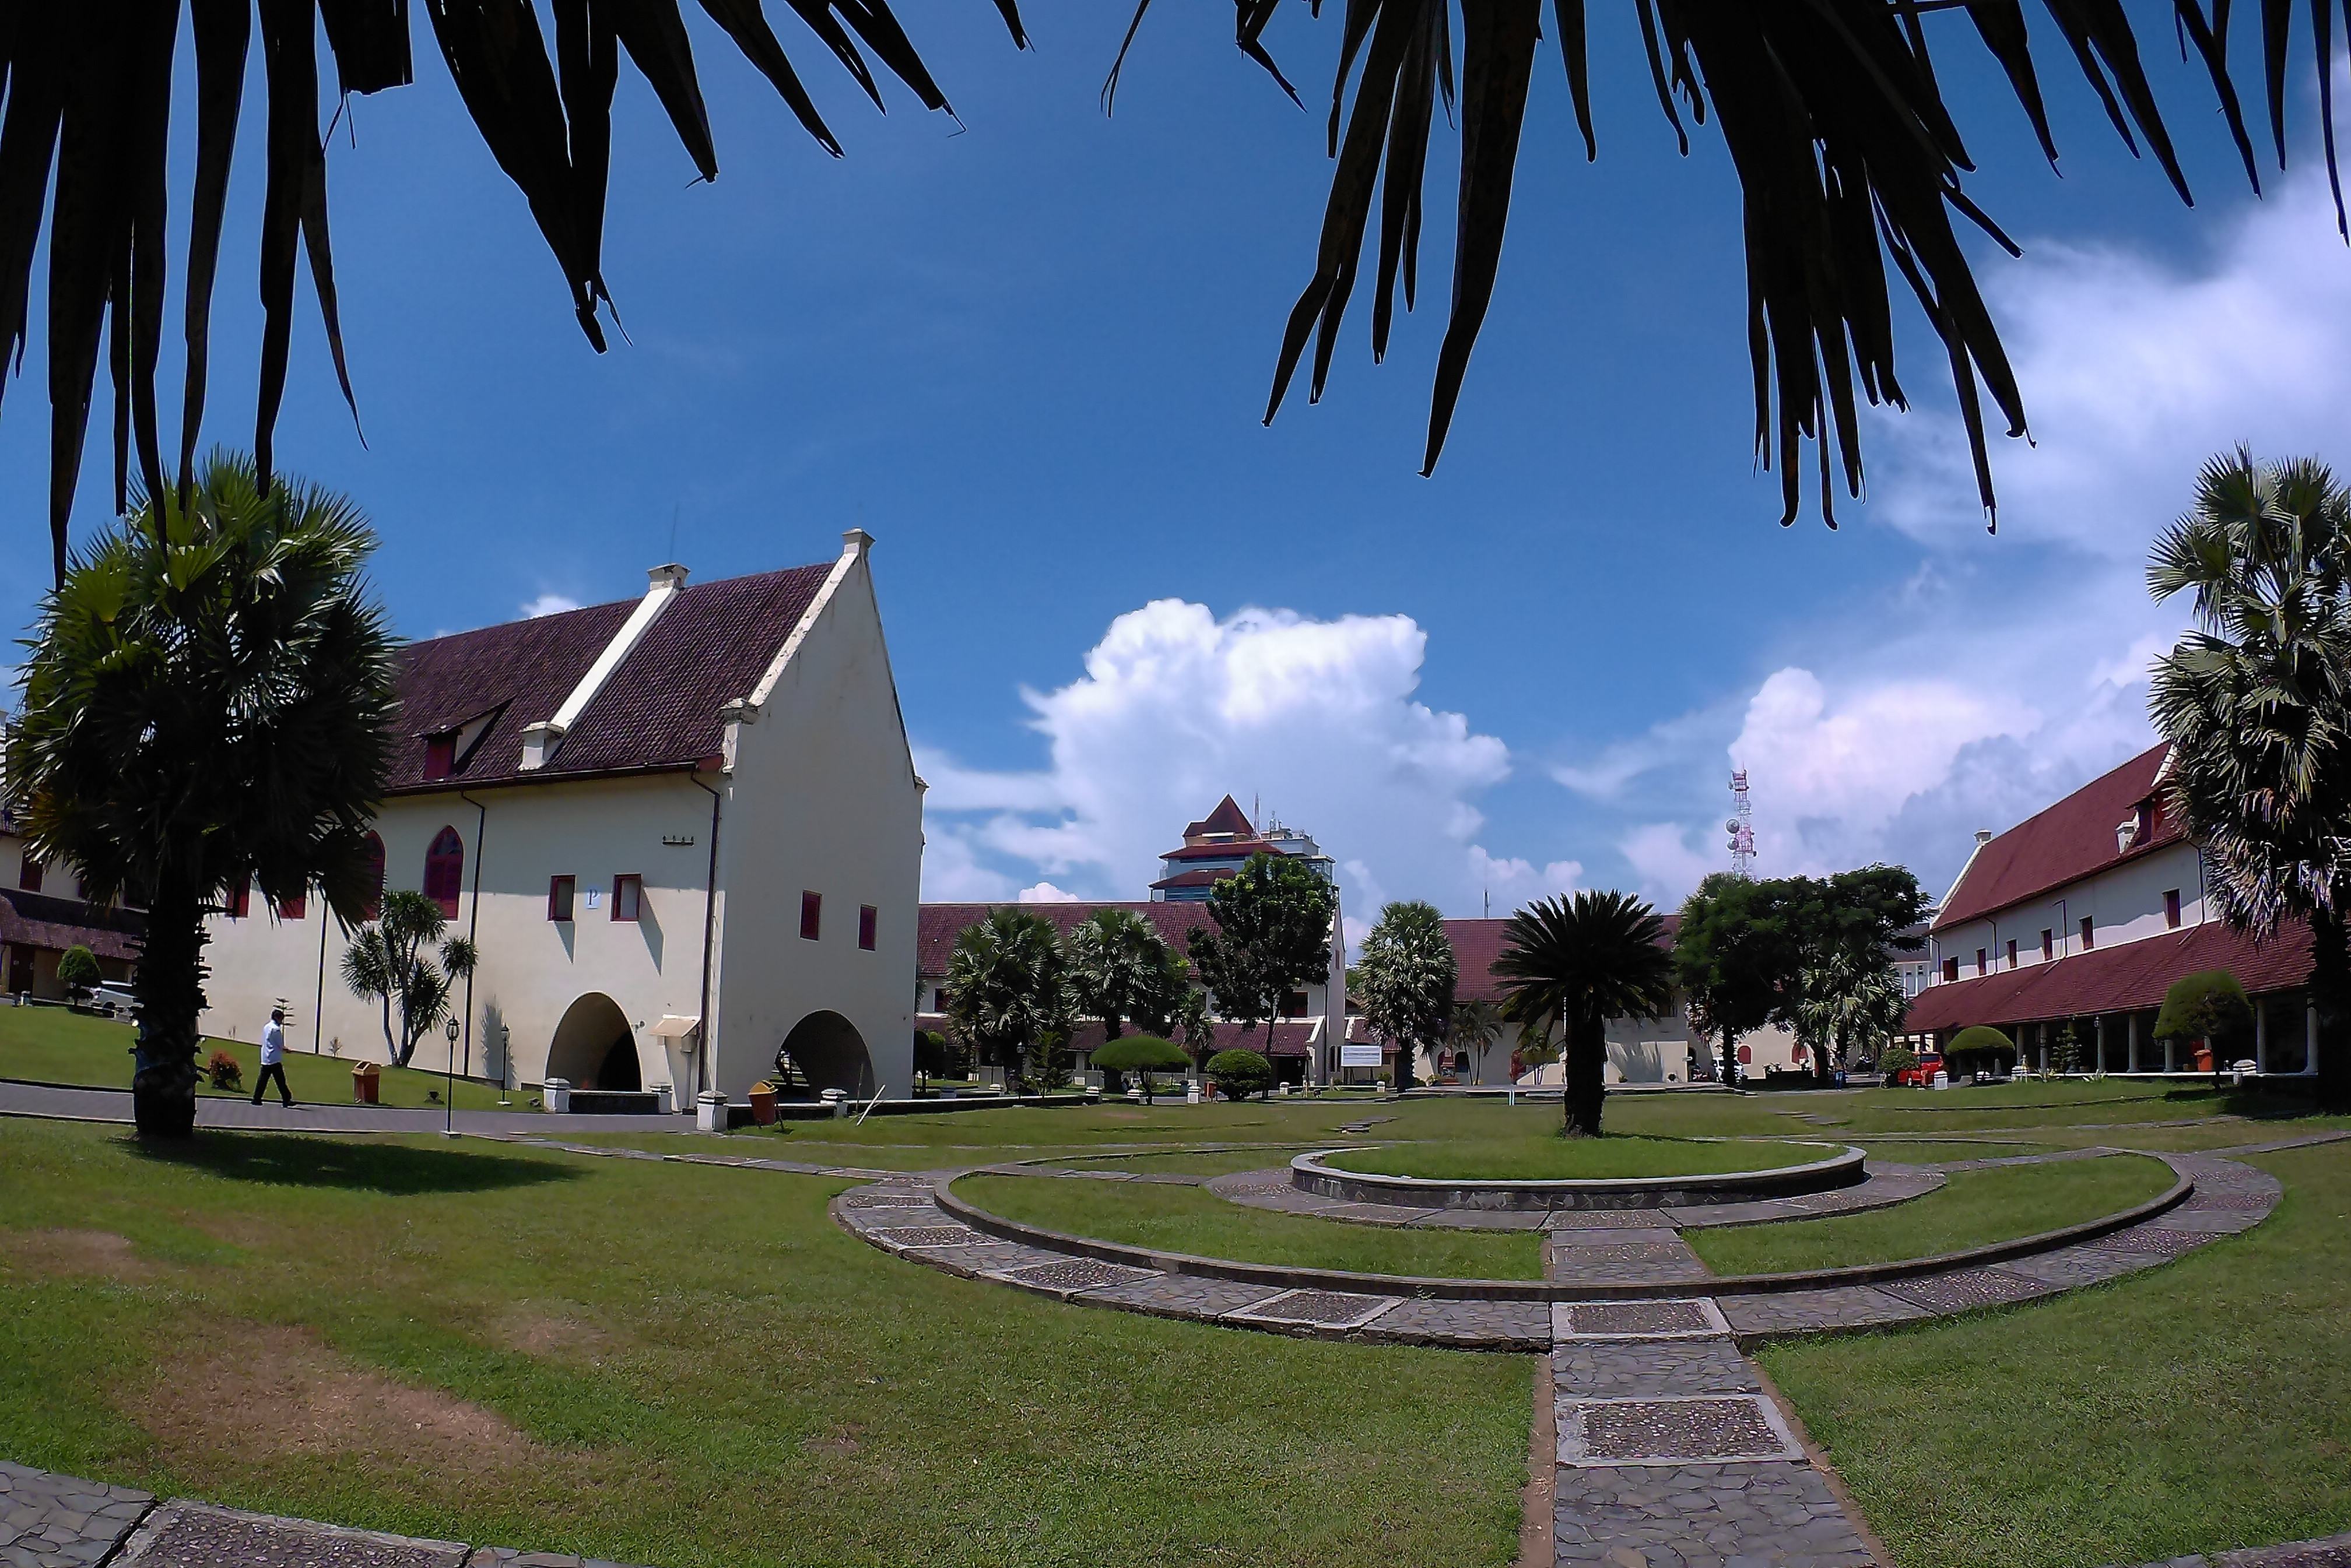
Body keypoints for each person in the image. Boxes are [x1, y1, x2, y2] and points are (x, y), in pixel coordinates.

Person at [252, 1007, 294, 1108]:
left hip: (266, 1057)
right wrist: (287, 1050)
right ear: (278, 1018)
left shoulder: (267, 1027)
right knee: (281, 1081)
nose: (281, 1022)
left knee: (263, 1080)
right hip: (274, 1058)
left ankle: (257, 1099)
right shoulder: (276, 1030)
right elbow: (280, 1045)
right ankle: (286, 1099)